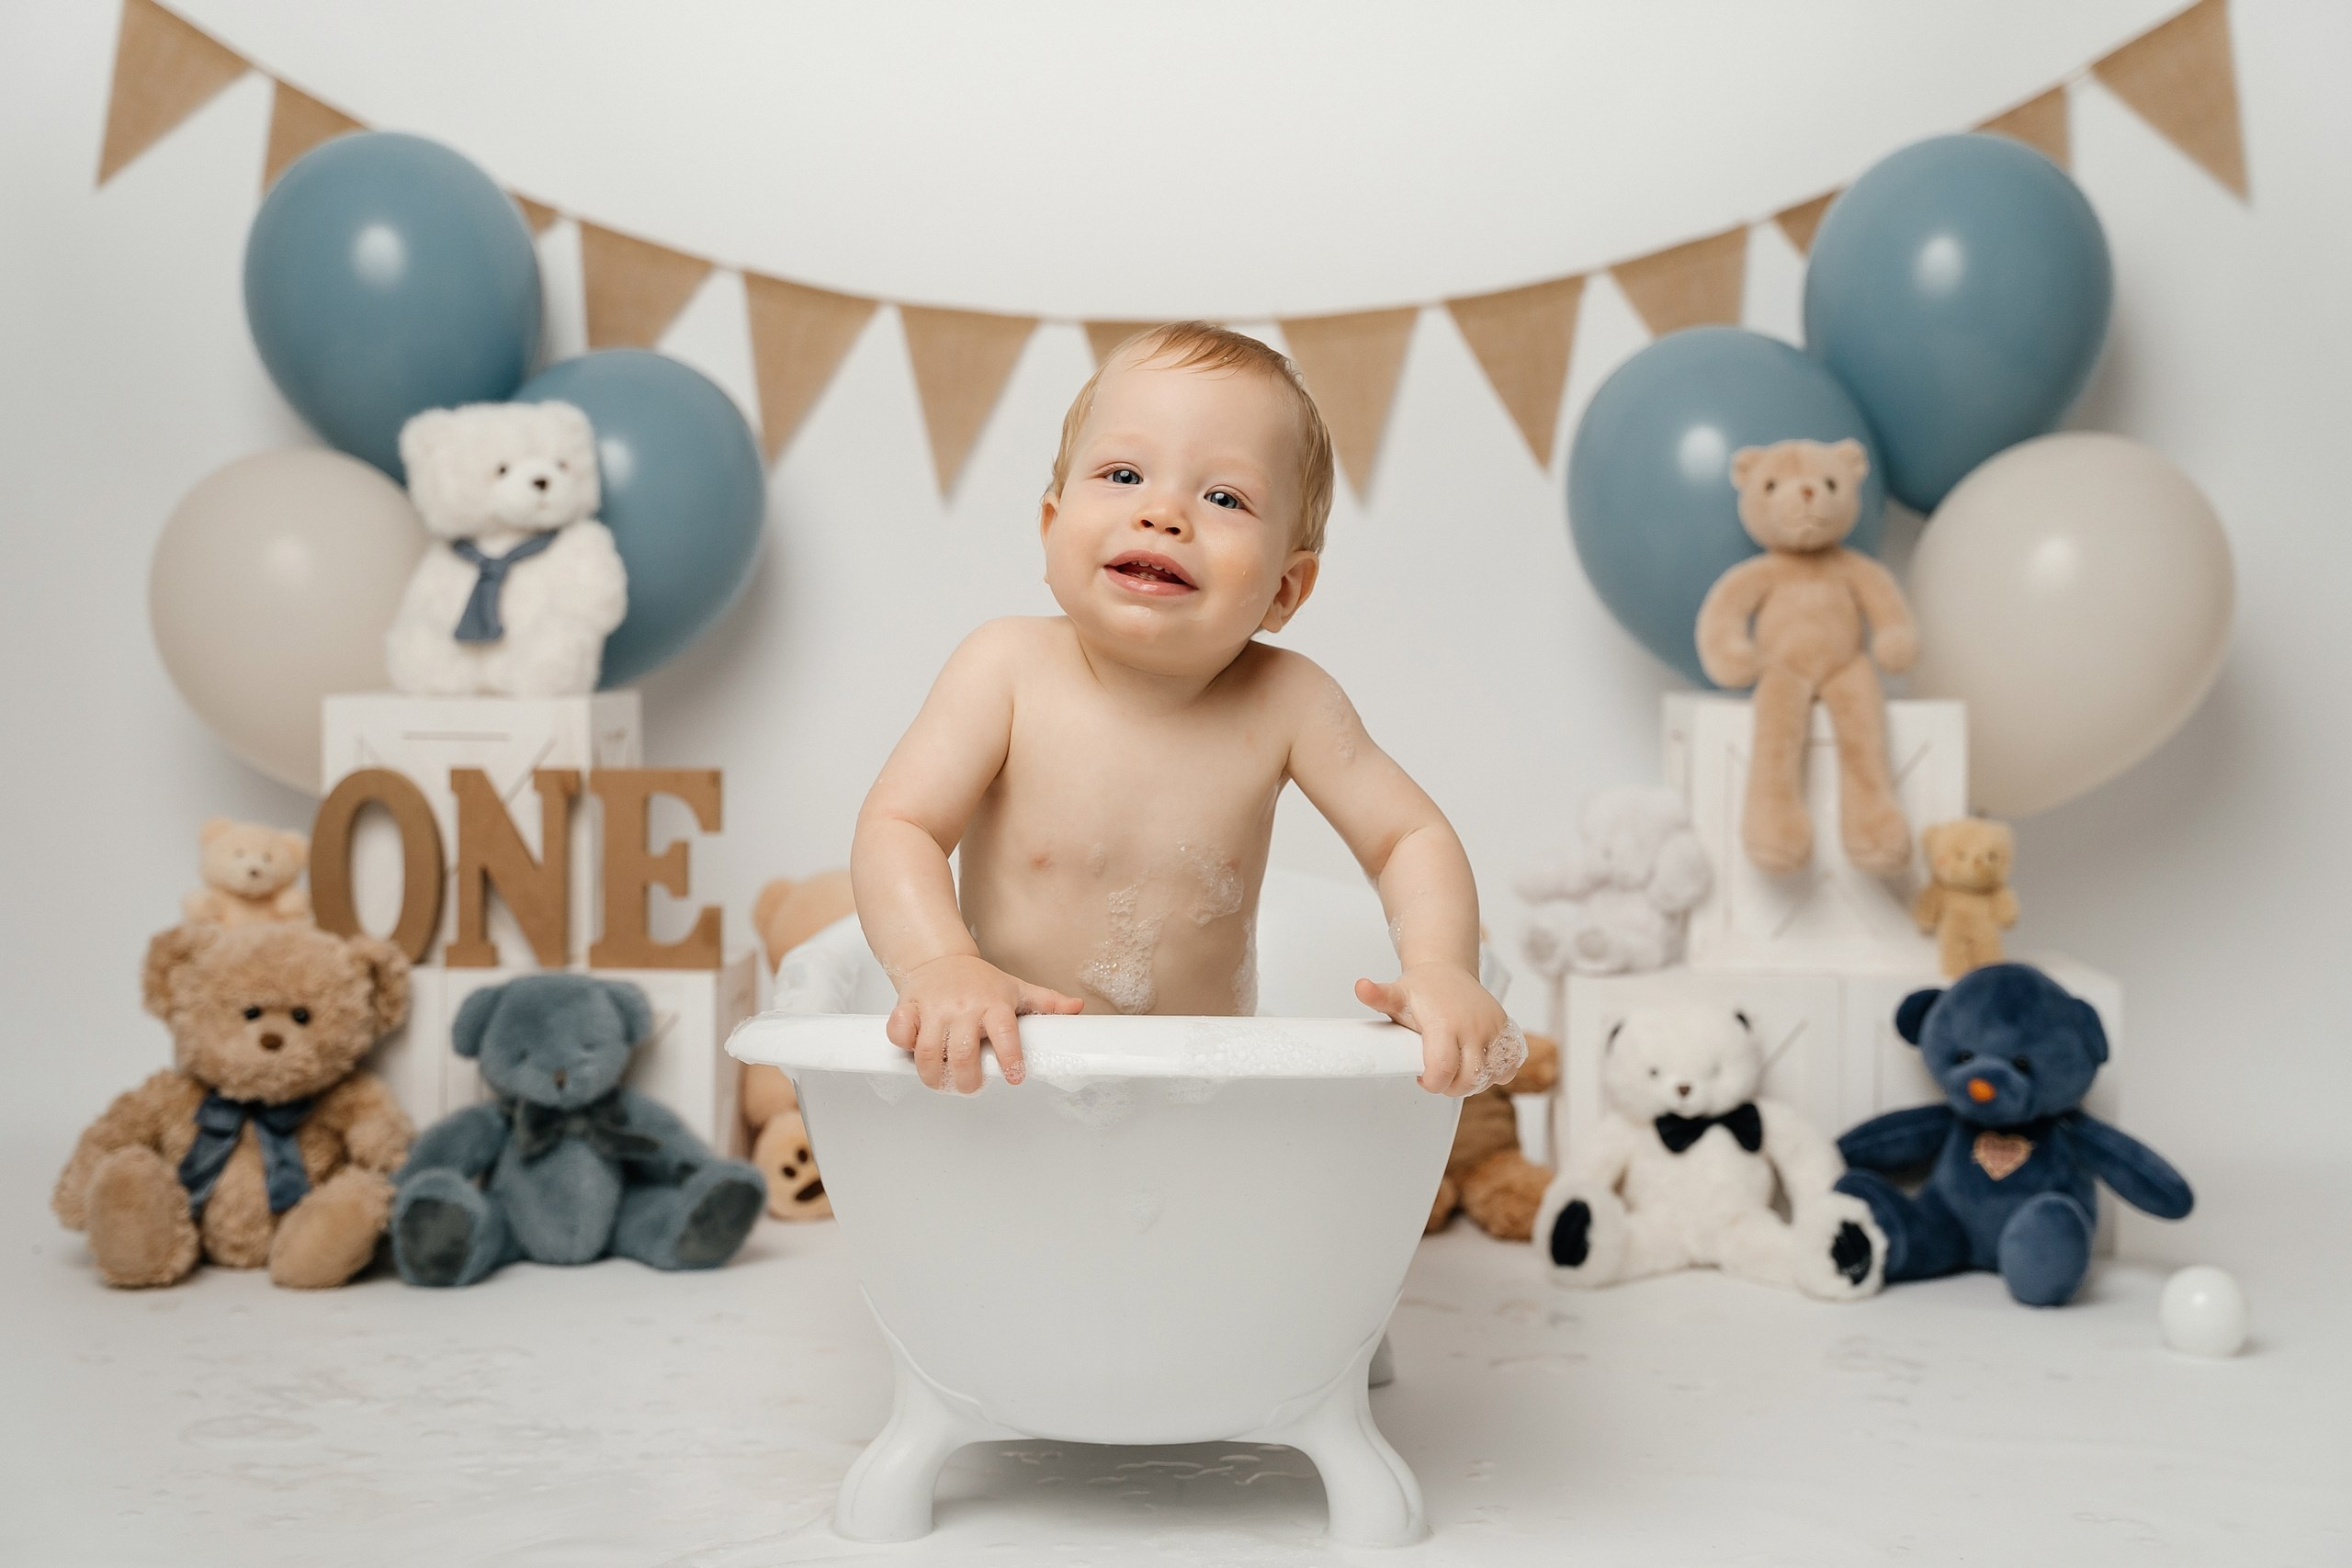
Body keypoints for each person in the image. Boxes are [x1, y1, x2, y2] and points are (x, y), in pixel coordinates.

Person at [852, 321, 1519, 1097]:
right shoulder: (1003, 668)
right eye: (1124, 475)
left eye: (1224, 496)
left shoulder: (1288, 701)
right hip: (1012, 1079)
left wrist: (1439, 968)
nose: (1164, 513)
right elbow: (901, 825)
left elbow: (1409, 835)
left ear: (1284, 589)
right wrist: (941, 963)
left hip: (1203, 1094)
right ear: (1052, 526)